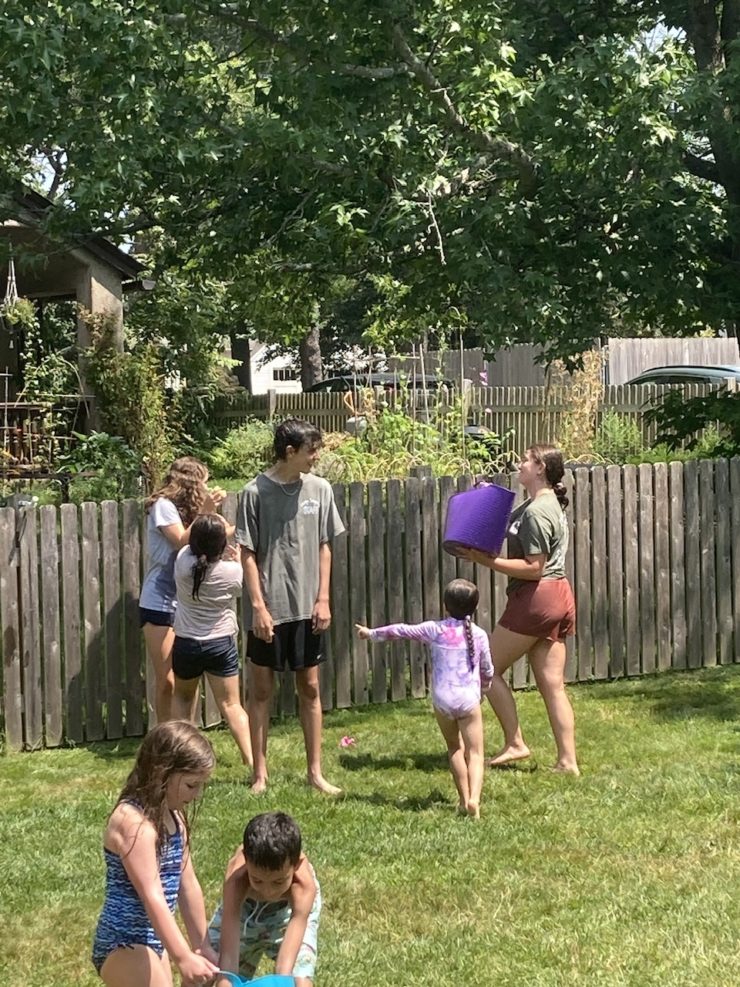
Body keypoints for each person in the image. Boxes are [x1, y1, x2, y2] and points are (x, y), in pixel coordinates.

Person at [237, 418, 345, 795]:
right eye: (311, 451)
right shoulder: (254, 492)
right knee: (261, 691)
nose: (316, 457)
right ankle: (259, 775)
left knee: (310, 688)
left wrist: (323, 598)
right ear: (289, 452)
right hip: (270, 608)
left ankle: (315, 773)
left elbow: (325, 546)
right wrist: (258, 607)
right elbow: (246, 553)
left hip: (308, 608)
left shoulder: (320, 489)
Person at [460, 444, 579, 775]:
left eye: (526, 459)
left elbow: (534, 568)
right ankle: (567, 762)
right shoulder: (540, 503)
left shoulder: (538, 511)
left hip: (537, 598)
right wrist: (485, 498)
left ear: (540, 468)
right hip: (558, 596)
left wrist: (487, 561)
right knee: (553, 685)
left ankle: (515, 743)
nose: (519, 463)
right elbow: (507, 525)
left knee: (485, 670)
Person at [91, 720, 219, 987]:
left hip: (154, 942)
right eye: (191, 785)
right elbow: (152, 895)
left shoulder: (175, 818)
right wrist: (182, 957)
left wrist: (202, 946)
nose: (197, 794)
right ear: (162, 774)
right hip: (122, 942)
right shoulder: (133, 823)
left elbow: (188, 886)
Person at [356, 578, 493, 818]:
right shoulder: (479, 635)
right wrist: (484, 689)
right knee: (476, 753)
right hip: (468, 700)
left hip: (442, 700)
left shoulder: (435, 630)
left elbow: (401, 630)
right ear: (475, 606)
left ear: (445, 606)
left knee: (454, 748)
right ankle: (474, 799)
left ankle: (463, 800)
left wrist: (371, 633)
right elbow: (488, 670)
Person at [140, 457, 227, 723]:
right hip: (160, 601)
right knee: (167, 678)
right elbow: (180, 541)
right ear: (190, 482)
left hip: (187, 602)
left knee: (186, 677)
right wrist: (205, 511)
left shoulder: (188, 511)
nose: (205, 488)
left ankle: (186, 735)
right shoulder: (163, 506)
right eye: (203, 482)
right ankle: (165, 736)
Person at [171, 513, 253, 771]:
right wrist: (237, 559)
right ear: (221, 544)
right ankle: (252, 761)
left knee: (183, 700)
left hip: (186, 643)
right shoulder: (233, 572)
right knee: (231, 705)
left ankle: (181, 760)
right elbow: (238, 585)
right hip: (220, 644)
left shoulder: (182, 561)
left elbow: (192, 543)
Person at [210, 811, 321, 987]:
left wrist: (281, 983)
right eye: (257, 880)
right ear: (246, 861)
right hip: (245, 912)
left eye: (278, 881)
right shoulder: (236, 881)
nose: (268, 891)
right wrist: (226, 982)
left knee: (300, 981)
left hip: (287, 914)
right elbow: (228, 964)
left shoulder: (304, 888)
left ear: (296, 865)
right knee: (206, 968)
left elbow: (284, 971)